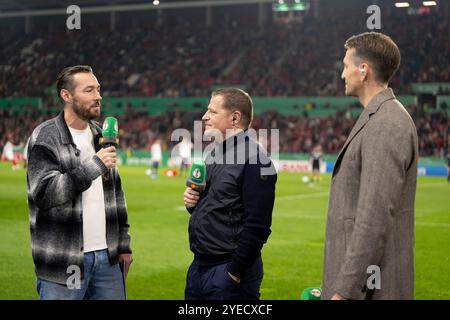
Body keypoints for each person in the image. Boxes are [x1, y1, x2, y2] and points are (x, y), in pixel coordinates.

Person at [322, 32, 418, 300]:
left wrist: (343, 291)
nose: (342, 74)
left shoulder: (387, 123)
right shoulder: (381, 117)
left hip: (371, 289)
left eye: (345, 66)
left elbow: (373, 217)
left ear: (363, 71)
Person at [26, 65, 132, 300]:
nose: (98, 96)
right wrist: (94, 166)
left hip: (108, 259)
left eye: (98, 89)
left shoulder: (101, 135)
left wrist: (123, 245)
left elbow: (116, 196)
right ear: (67, 95)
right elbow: (44, 194)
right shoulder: (45, 137)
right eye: (89, 90)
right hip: (63, 262)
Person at [183, 88, 277, 300]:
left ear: (234, 118)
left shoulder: (256, 159)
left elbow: (258, 225)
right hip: (199, 266)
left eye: (212, 112)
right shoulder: (213, 152)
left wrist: (235, 272)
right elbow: (217, 206)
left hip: (229, 271)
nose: (204, 116)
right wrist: (192, 204)